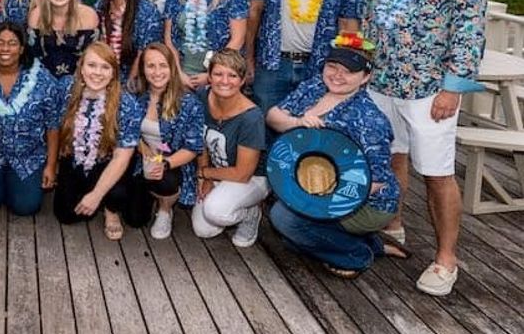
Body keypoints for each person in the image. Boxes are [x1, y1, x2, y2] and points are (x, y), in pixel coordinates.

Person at [363, 0, 488, 296]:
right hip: (382, 83)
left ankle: (446, 258)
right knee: (392, 156)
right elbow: (370, 22)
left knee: (437, 173)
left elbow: (470, 35)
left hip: (430, 90)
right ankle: (392, 224)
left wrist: (453, 89)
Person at [266, 33, 406, 278]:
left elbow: (376, 181)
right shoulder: (314, 87)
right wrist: (298, 122)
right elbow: (273, 116)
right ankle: (370, 244)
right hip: (316, 181)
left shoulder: (369, 119)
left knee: (285, 221)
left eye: (349, 71)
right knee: (291, 236)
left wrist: (317, 203)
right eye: (333, 66)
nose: (337, 75)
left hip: (365, 201)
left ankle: (356, 256)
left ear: (366, 77)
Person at [0, 23, 63, 216]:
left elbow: (53, 125)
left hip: (27, 157)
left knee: (25, 206)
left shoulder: (43, 81)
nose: (5, 49)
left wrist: (51, 166)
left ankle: (17, 186)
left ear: (21, 48)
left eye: (12, 43)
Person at [52, 42, 138, 238]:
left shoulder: (127, 103)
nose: (97, 73)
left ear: (114, 74)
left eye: (105, 67)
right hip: (76, 156)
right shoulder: (66, 88)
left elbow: (121, 158)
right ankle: (89, 190)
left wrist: (96, 195)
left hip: (111, 160)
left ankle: (111, 209)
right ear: (81, 68)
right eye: (92, 65)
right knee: (66, 215)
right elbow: (53, 126)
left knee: (115, 194)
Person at [121, 44, 204, 239]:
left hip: (173, 161)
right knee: (134, 219)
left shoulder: (189, 102)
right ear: (143, 69)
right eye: (151, 66)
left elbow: (192, 147)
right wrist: (144, 150)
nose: (157, 72)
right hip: (140, 156)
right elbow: (125, 131)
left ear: (172, 68)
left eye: (163, 65)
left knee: (167, 181)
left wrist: (165, 164)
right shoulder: (134, 95)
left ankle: (166, 209)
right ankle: (148, 196)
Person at [192, 50, 268, 247]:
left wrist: (204, 172)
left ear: (242, 80)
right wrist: (206, 176)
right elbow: (201, 140)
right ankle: (229, 203)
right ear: (209, 76)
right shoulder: (202, 96)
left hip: (250, 178)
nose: (224, 81)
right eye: (218, 74)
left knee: (217, 212)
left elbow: (242, 174)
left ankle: (250, 212)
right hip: (217, 171)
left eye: (232, 75)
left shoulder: (251, 117)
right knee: (204, 229)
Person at [163, 0, 247, 91]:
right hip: (182, 74)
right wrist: (178, 73)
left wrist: (212, 74)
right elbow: (169, 39)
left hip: (221, 77)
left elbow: (238, 39)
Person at [28, 0, 101, 77]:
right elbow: (33, 57)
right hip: (43, 79)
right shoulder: (36, 16)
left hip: (80, 79)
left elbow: (93, 58)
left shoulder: (89, 16)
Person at [100, 0, 162, 78]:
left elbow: (144, 54)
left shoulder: (146, 11)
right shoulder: (100, 7)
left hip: (136, 77)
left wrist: (128, 86)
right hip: (104, 74)